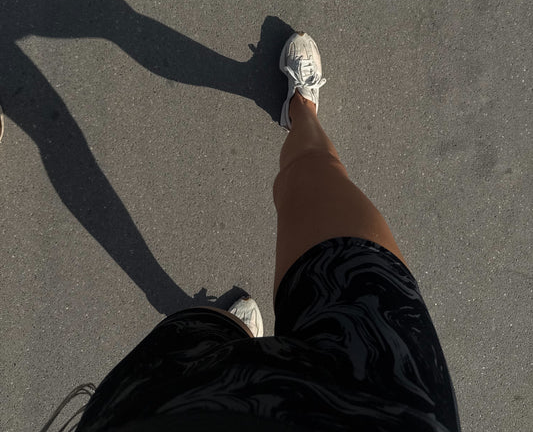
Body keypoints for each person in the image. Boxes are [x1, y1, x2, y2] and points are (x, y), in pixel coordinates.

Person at [54, 32, 461, 431]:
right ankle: (301, 108)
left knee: (188, 348)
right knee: (314, 174)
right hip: (385, 406)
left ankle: (231, 338)